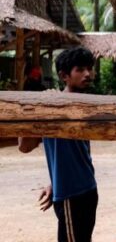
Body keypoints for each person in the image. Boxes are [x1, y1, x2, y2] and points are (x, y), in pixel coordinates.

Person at [18, 47, 98, 242]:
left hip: (83, 191)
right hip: (72, 194)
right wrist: (38, 110)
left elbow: (81, 153)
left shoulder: (87, 106)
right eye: (80, 69)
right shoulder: (51, 106)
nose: (87, 74)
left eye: (89, 68)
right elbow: (24, 146)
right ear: (64, 76)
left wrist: (56, 181)